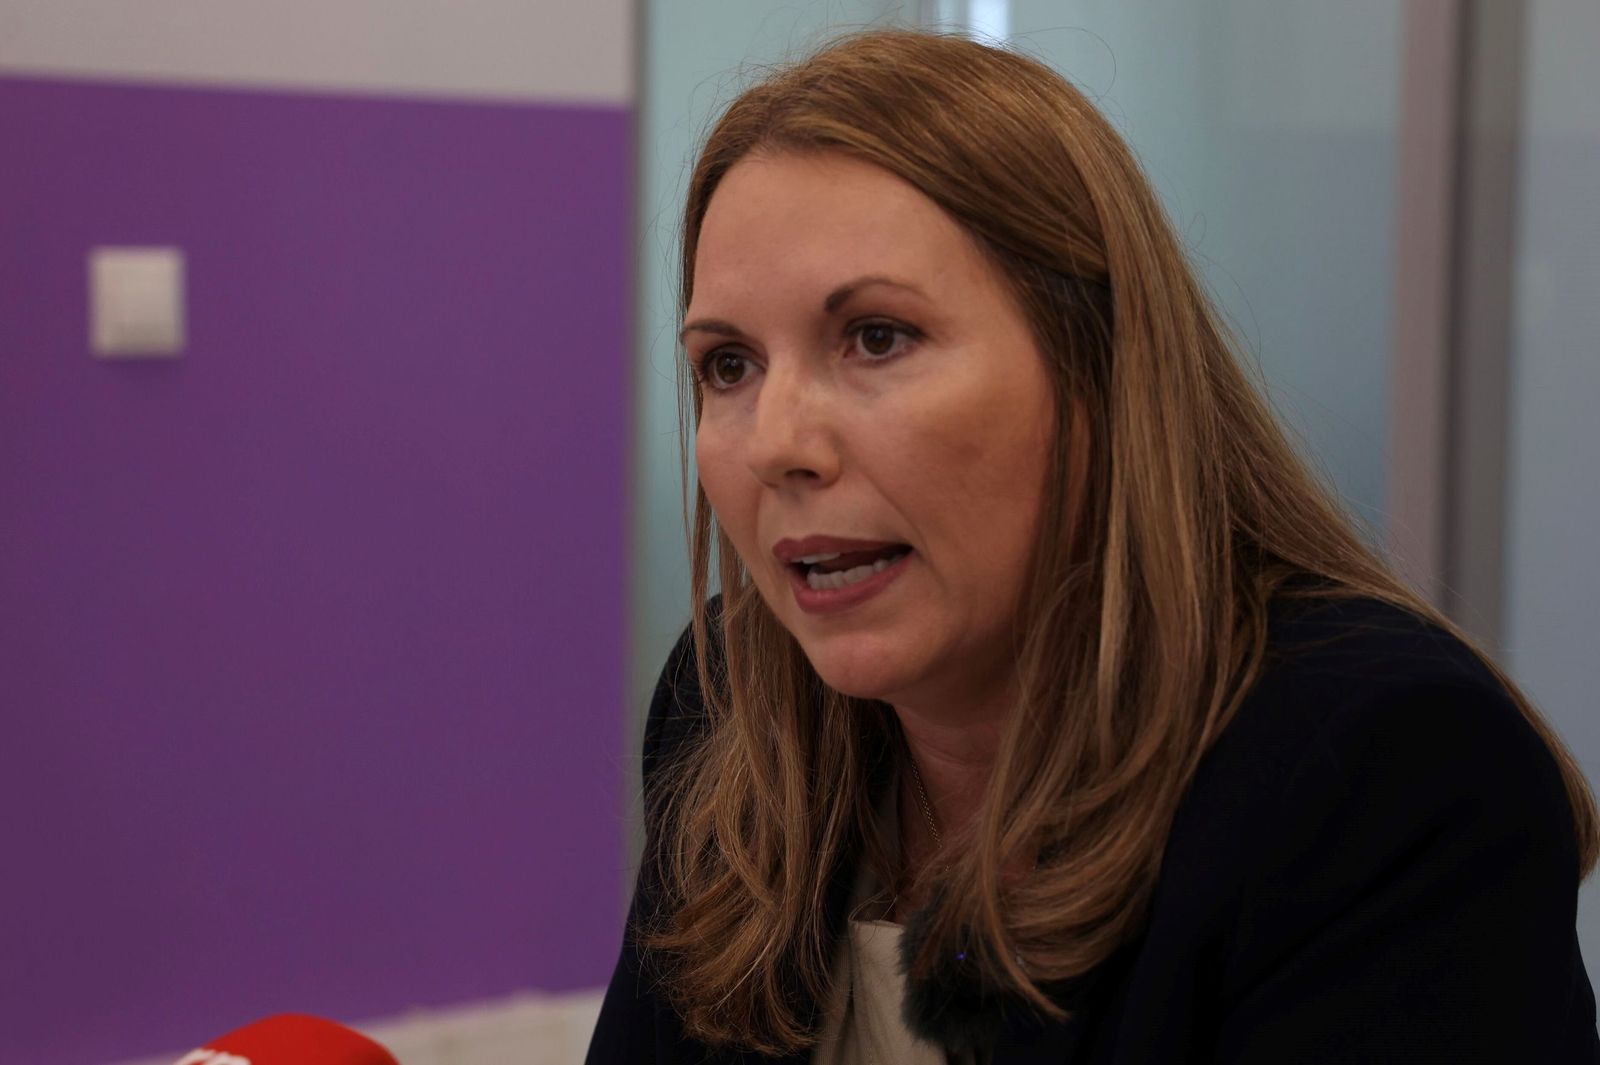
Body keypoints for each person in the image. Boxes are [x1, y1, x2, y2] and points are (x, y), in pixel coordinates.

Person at [586, 28, 1599, 1064]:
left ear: (1099, 372)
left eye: (877, 338)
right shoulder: (727, 703)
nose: (776, 445)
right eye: (727, 366)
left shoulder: (1377, 769)